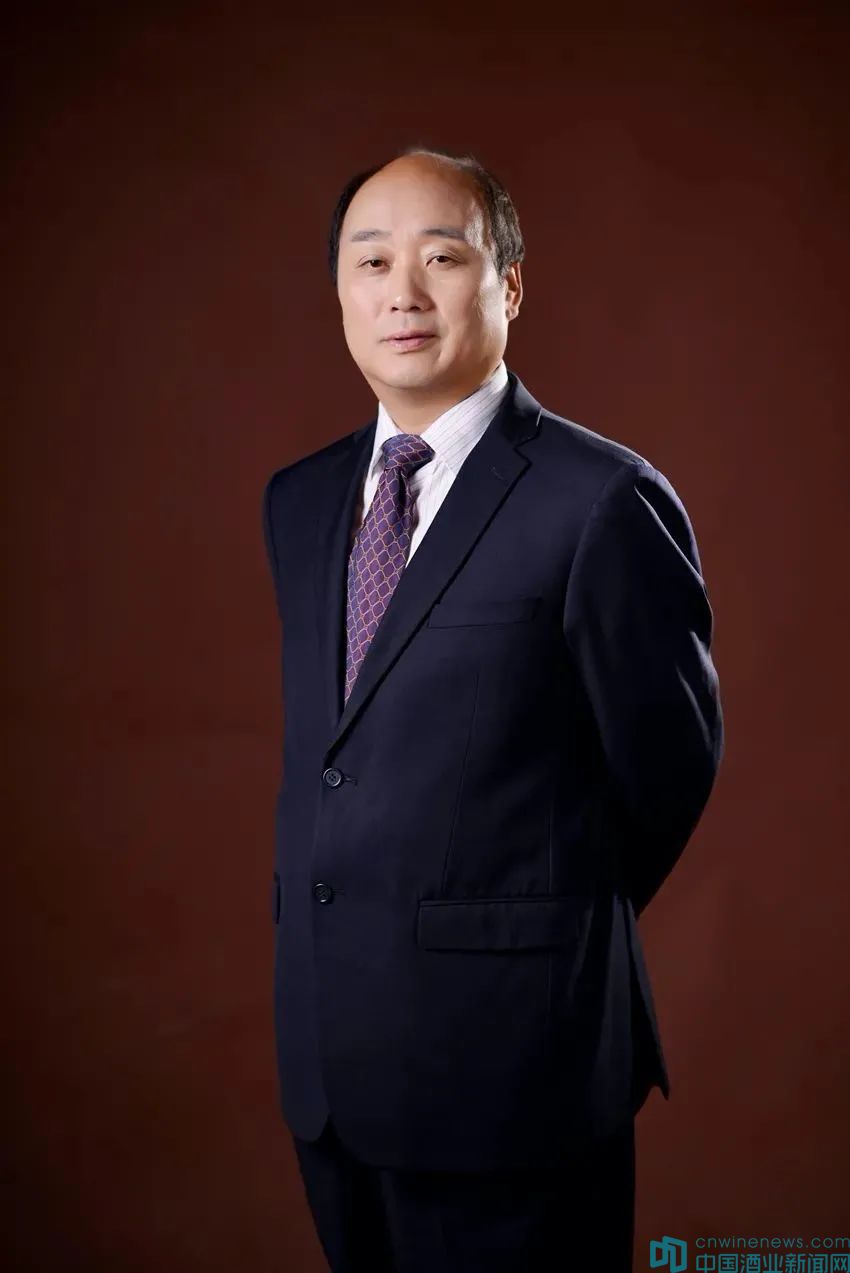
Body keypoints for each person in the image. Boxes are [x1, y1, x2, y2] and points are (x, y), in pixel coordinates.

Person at [261, 144, 724, 1272]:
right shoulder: (302, 500)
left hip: (517, 1068)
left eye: (442, 257)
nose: (402, 292)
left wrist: (524, 923)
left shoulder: (600, 499)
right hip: (332, 1059)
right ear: (339, 293)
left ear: (508, 285)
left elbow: (666, 774)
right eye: (371, 261)